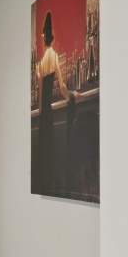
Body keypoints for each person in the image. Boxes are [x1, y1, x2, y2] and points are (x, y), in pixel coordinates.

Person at [34, 12, 76, 193]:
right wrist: (72, 95)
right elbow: (61, 87)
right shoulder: (53, 56)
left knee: (42, 153)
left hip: (42, 113)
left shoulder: (41, 63)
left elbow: (41, 92)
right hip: (50, 113)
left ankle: (44, 186)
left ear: (44, 35)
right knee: (51, 152)